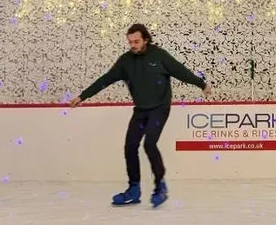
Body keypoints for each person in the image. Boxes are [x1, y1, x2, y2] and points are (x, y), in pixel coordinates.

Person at [69, 23, 212, 208]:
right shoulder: (125, 61)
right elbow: (105, 80)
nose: (133, 45)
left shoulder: (159, 56)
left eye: (136, 41)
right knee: (130, 146)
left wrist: (202, 84)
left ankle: (160, 186)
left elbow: (180, 71)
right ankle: (133, 189)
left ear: (145, 39)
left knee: (150, 144)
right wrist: (82, 96)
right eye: (130, 42)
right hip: (141, 110)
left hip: (160, 108)